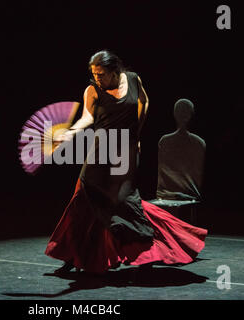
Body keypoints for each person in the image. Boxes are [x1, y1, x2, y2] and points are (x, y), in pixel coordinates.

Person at [45, 50, 207, 274]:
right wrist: (70, 132)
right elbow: (88, 117)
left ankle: (151, 249)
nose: (97, 78)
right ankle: (74, 256)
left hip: (125, 152)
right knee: (84, 200)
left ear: (114, 71)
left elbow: (144, 102)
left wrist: (136, 135)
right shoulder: (92, 90)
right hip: (101, 151)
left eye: (101, 74)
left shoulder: (132, 80)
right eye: (94, 74)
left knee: (124, 202)